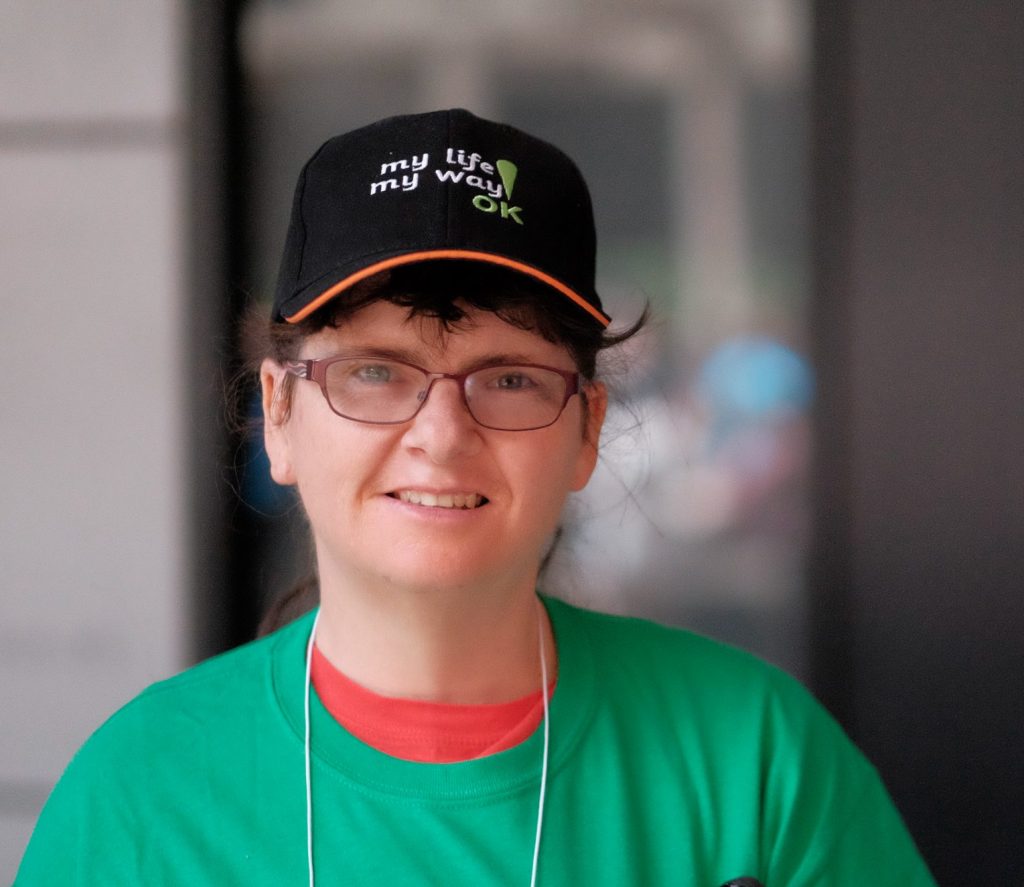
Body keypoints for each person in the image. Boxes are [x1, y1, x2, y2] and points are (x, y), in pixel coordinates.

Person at [16, 109, 936, 886]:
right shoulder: (138, 799)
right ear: (280, 415)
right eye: (375, 371)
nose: (442, 434)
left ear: (587, 430)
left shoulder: (752, 770)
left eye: (509, 379)